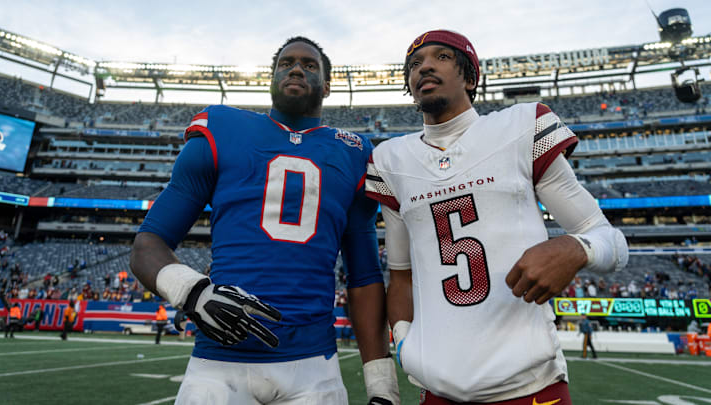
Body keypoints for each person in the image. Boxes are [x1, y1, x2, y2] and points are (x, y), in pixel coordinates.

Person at [130, 36, 399, 405]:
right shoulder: (222, 128)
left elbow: (365, 277)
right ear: (271, 78)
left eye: (309, 64)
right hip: (218, 362)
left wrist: (382, 385)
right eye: (286, 63)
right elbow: (149, 243)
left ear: (327, 85)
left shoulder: (354, 151)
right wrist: (193, 291)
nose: (296, 68)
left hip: (313, 365)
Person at [366, 30, 629, 404]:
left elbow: (610, 239)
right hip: (438, 388)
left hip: (529, 384)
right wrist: (405, 341)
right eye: (414, 63)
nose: (424, 66)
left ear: (471, 77)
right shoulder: (390, 159)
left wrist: (576, 248)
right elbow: (401, 276)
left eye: (441, 57)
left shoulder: (523, 125)